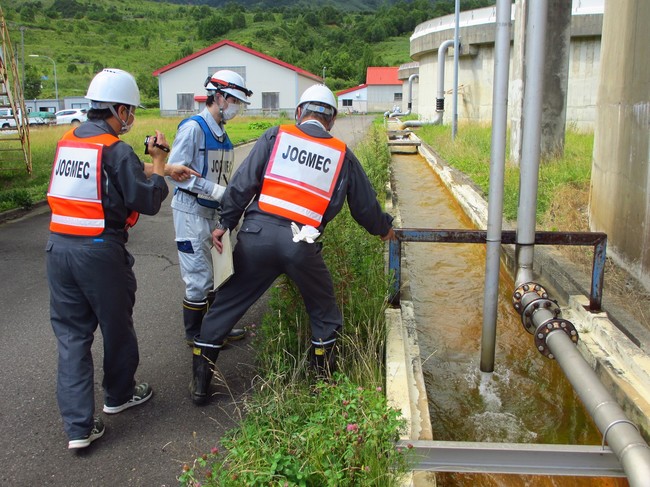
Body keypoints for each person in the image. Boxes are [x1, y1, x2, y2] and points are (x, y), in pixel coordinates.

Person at [189, 84, 396, 405]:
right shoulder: (342, 155)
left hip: (256, 236)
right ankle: (323, 384)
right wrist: (384, 229)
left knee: (227, 303)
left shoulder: (275, 136)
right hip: (303, 242)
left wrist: (225, 224)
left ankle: (201, 386)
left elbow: (242, 185)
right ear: (332, 120)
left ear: (299, 113)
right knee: (324, 311)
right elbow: (365, 207)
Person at [46, 68, 198, 450]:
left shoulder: (68, 141)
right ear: (118, 109)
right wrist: (161, 163)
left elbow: (108, 172)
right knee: (116, 327)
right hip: (99, 252)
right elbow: (147, 199)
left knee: (72, 338)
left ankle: (79, 429)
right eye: (129, 110)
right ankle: (119, 394)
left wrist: (152, 166)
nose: (130, 118)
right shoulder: (115, 149)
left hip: (58, 249)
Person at [167, 70, 252, 346]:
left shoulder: (223, 137)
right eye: (234, 101)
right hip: (190, 210)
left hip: (212, 212)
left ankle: (216, 328)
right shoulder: (193, 129)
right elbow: (175, 171)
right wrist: (214, 191)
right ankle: (196, 336)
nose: (236, 107)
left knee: (219, 273)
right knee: (199, 278)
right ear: (219, 97)